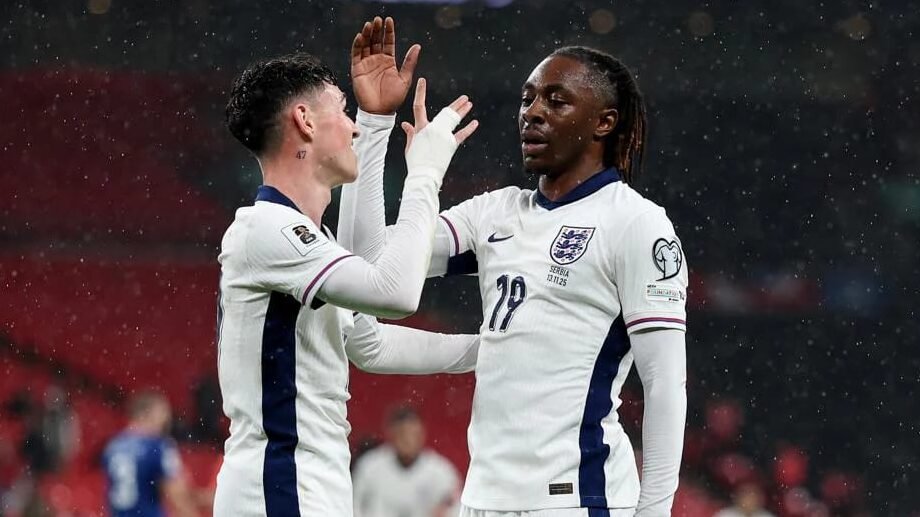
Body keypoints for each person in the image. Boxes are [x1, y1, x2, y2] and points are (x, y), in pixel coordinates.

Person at [340, 41, 688, 517]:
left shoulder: (636, 223)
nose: (533, 113)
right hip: (482, 499)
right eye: (528, 99)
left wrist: (655, 511)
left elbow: (664, 383)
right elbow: (370, 265)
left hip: (576, 500)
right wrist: (375, 125)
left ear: (604, 123)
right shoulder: (495, 212)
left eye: (556, 101)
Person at [214, 19, 480, 516]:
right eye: (343, 111)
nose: (352, 125)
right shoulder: (268, 228)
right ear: (305, 121)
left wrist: (489, 350)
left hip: (306, 483)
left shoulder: (302, 239)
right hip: (281, 486)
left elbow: (369, 342)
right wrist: (425, 173)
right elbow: (395, 292)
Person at [101, 391, 198, 517]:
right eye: (162, 412)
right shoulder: (157, 445)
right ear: (149, 413)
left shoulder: (113, 446)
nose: (167, 418)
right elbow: (175, 494)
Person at [352, 406, 460, 517]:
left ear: (422, 433)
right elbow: (354, 506)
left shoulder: (441, 472)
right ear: (391, 434)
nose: (408, 440)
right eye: (402, 434)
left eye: (413, 434)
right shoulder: (369, 467)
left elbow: (455, 509)